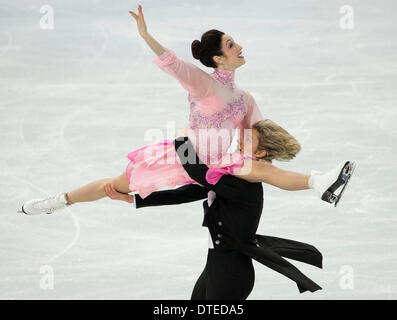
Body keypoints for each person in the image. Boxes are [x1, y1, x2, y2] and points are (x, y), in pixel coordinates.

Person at [18, 5, 355, 216]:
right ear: (218, 59)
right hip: (184, 155)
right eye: (231, 45)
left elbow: (258, 131)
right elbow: (173, 63)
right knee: (118, 186)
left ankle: (320, 183)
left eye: (235, 42)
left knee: (264, 171)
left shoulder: (244, 96)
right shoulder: (203, 84)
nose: (239, 47)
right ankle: (61, 200)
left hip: (219, 163)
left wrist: (264, 154)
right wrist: (146, 34)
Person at [103, 133, 323, 299]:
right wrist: (136, 199)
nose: (240, 137)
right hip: (217, 266)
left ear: (260, 153)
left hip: (231, 273)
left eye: (248, 138)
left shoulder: (243, 182)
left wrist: (182, 138)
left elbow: (197, 172)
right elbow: (189, 192)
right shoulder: (232, 177)